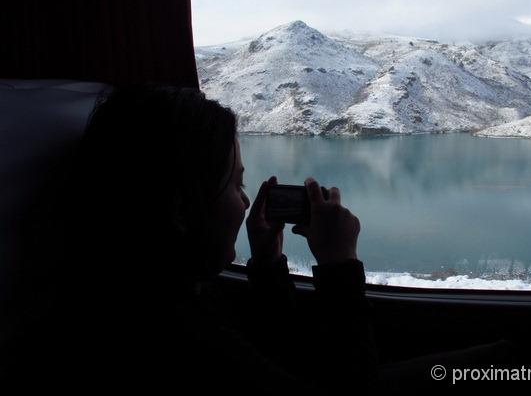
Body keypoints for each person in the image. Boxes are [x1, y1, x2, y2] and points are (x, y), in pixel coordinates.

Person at [4, 84, 377, 393]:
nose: (247, 202)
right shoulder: (169, 341)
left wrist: (265, 266)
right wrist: (339, 263)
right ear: (180, 210)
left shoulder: (136, 293)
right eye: (235, 184)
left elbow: (271, 352)